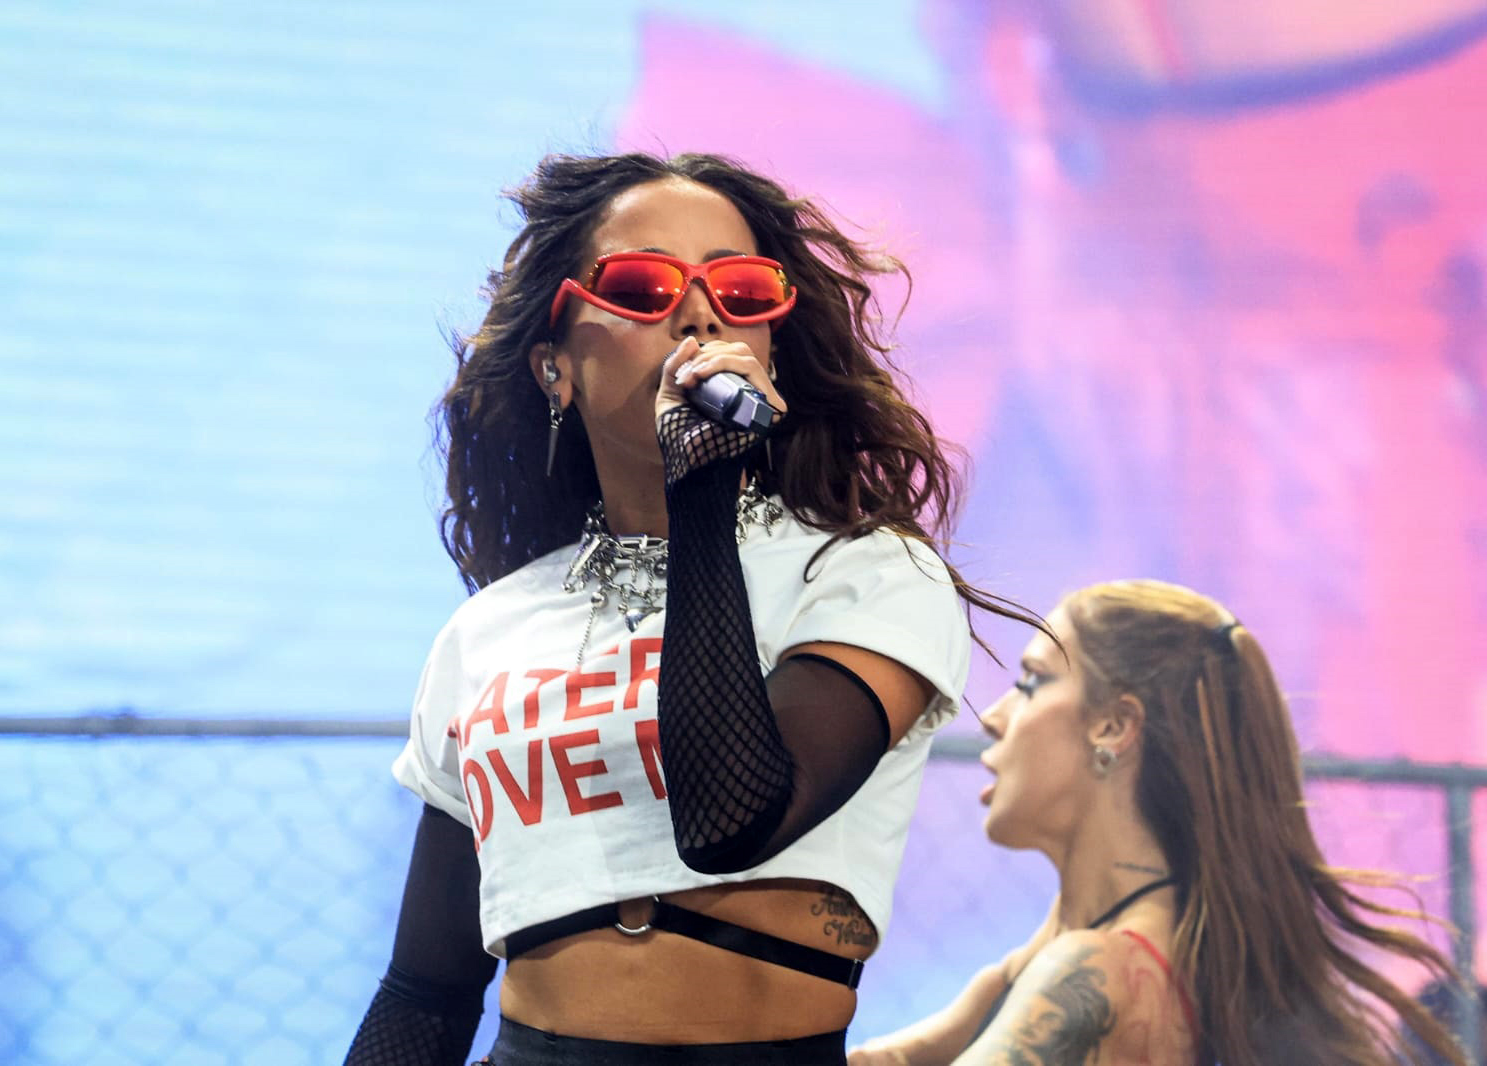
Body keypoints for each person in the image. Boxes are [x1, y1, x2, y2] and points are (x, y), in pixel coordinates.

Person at [343, 151, 1031, 1066]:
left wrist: (699, 486)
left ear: (771, 346)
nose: (700, 315)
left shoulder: (862, 573)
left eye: (741, 291)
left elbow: (730, 822)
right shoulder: (490, 631)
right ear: (555, 368)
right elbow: (426, 993)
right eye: (641, 286)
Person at [847, 579, 1467, 1066]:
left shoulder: (1095, 972)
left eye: (1032, 682)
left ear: (1114, 726)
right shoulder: (1088, 938)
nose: (994, 716)